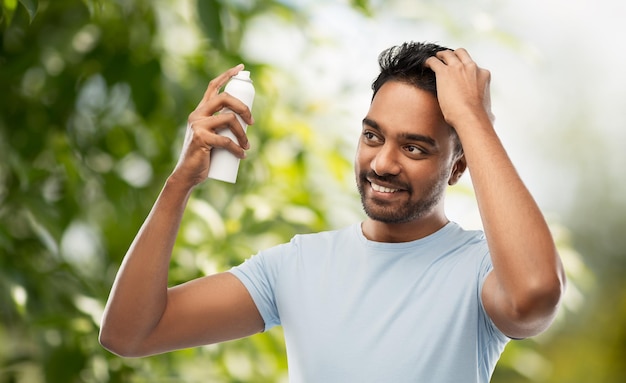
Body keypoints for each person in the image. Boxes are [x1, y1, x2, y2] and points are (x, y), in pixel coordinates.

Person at [99, 41, 566, 382]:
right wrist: (179, 182)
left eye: (416, 148)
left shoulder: (480, 271)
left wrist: (473, 120)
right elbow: (130, 333)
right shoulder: (297, 265)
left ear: (457, 165)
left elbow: (535, 295)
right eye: (372, 136)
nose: (383, 163)